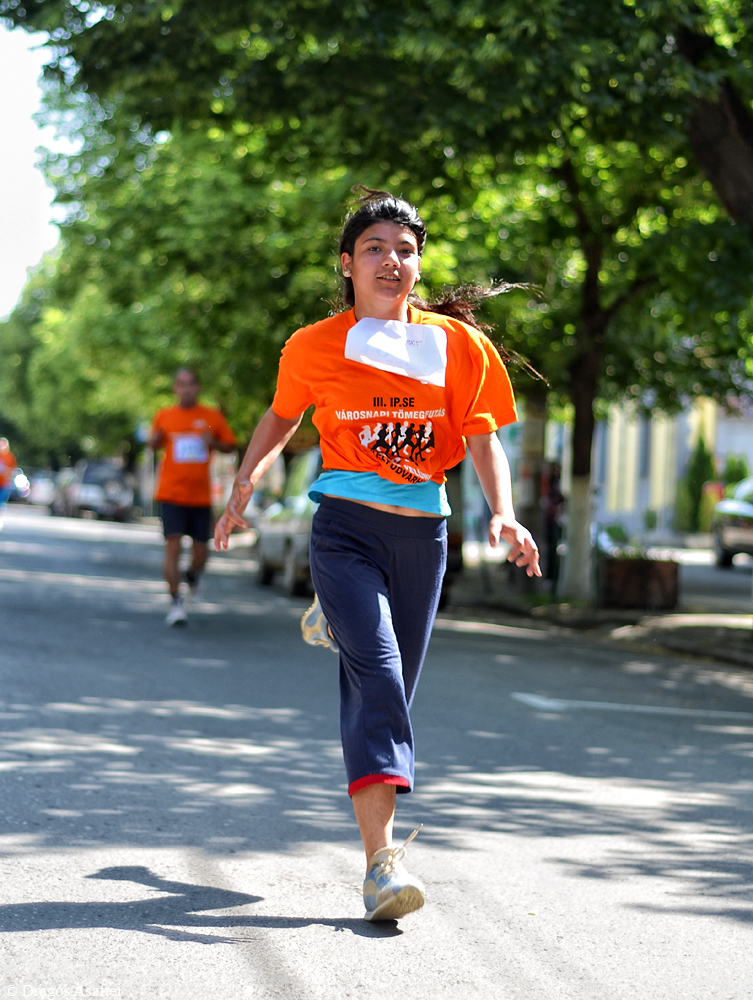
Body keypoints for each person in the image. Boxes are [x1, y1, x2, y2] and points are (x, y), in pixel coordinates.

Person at [215, 190, 540, 921]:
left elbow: (483, 434)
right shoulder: (313, 345)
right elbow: (281, 416)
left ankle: (341, 619)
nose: (391, 261)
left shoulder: (458, 346)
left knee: (388, 690)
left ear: (418, 265)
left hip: (423, 536)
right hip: (345, 531)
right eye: (374, 248)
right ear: (347, 264)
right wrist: (243, 484)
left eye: (405, 250)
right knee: (381, 678)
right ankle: (382, 867)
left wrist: (505, 513)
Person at [150, 368, 237, 626]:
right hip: (170, 494)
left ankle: (191, 574)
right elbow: (152, 444)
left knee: (201, 552)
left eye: (190, 384)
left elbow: (230, 445)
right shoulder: (164, 416)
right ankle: (176, 602)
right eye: (181, 384)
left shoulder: (210, 417)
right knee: (173, 547)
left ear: (198, 387)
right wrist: (154, 440)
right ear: (175, 388)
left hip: (200, 497)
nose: (186, 389)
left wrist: (214, 443)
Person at [0, 438, 17, 525]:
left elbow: (12, 470)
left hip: (4, 484)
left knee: (1, 502)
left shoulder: (9, 456)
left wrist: (5, 470)